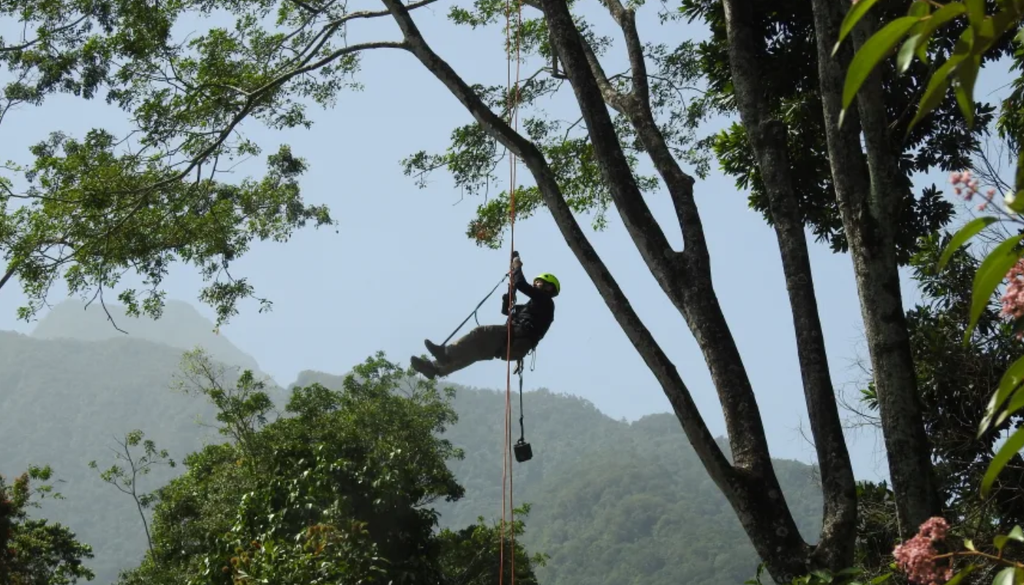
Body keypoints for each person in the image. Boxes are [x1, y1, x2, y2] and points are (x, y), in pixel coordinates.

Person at [410, 254, 559, 380]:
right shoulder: (531, 307)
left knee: (481, 333)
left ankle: (445, 353)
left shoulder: (546, 301)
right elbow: (507, 312)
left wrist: (517, 266)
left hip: (517, 338)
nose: (536, 284)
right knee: (474, 351)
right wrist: (508, 298)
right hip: (515, 344)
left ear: (549, 287)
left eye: (539, 283)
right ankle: (435, 369)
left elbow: (521, 283)